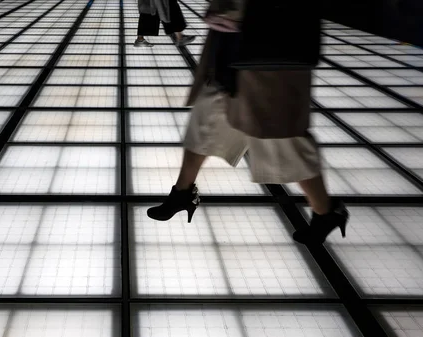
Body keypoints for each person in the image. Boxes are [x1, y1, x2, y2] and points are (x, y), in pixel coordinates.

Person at [146, 0, 349, 245]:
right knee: (205, 120)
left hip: (271, 46)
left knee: (283, 141)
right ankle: (182, 193)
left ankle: (326, 211)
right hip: (236, 42)